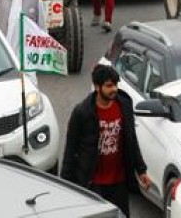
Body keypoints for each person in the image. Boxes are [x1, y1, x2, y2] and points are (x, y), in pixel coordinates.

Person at [61, 64, 151, 216]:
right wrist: (65, 184)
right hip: (93, 184)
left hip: (119, 183)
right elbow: (70, 149)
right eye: (109, 86)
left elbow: (131, 139)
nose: (114, 89)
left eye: (115, 85)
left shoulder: (124, 105)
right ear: (97, 87)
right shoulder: (82, 112)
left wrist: (141, 170)